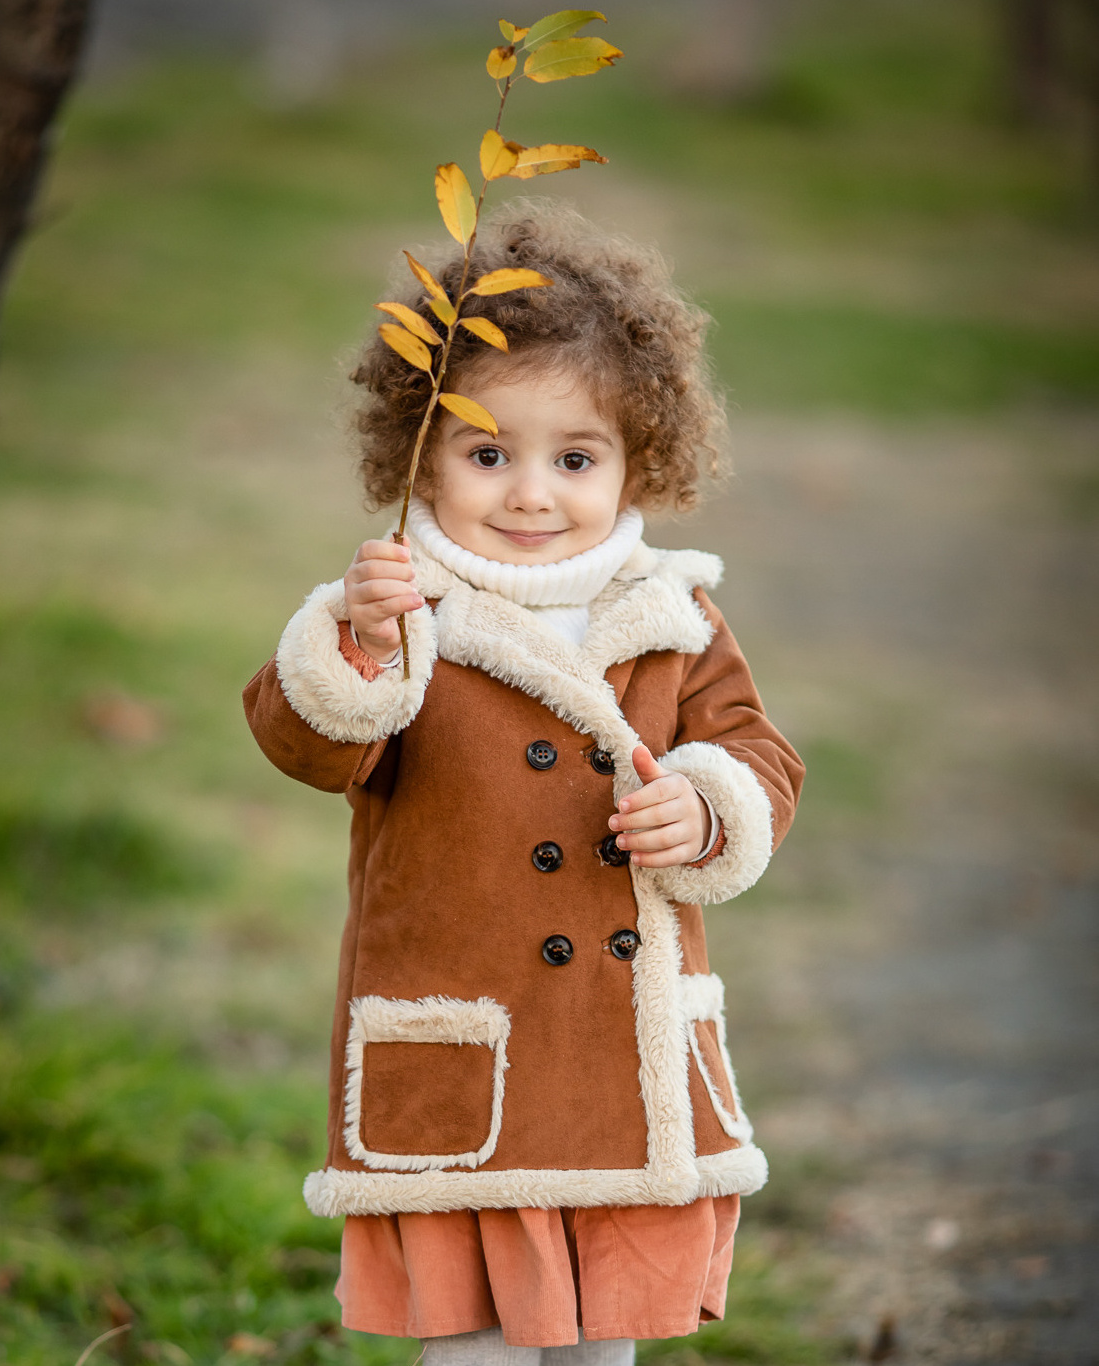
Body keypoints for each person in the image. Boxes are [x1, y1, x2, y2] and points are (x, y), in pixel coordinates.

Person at [242, 202, 804, 1366]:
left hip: (618, 1056)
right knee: (475, 1345)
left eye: (576, 458)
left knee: (605, 1343)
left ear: (640, 457)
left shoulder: (671, 611)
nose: (531, 493)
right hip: (468, 1044)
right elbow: (309, 743)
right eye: (489, 454)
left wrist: (703, 802)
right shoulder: (406, 608)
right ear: (419, 455)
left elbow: (758, 750)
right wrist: (353, 637)